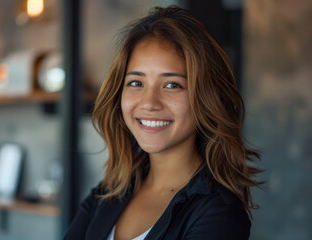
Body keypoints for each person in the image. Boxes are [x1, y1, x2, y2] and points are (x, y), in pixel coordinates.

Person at [64, 5, 262, 240]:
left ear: (206, 97)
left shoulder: (219, 214)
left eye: (172, 85)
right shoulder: (109, 193)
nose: (149, 103)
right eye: (136, 83)